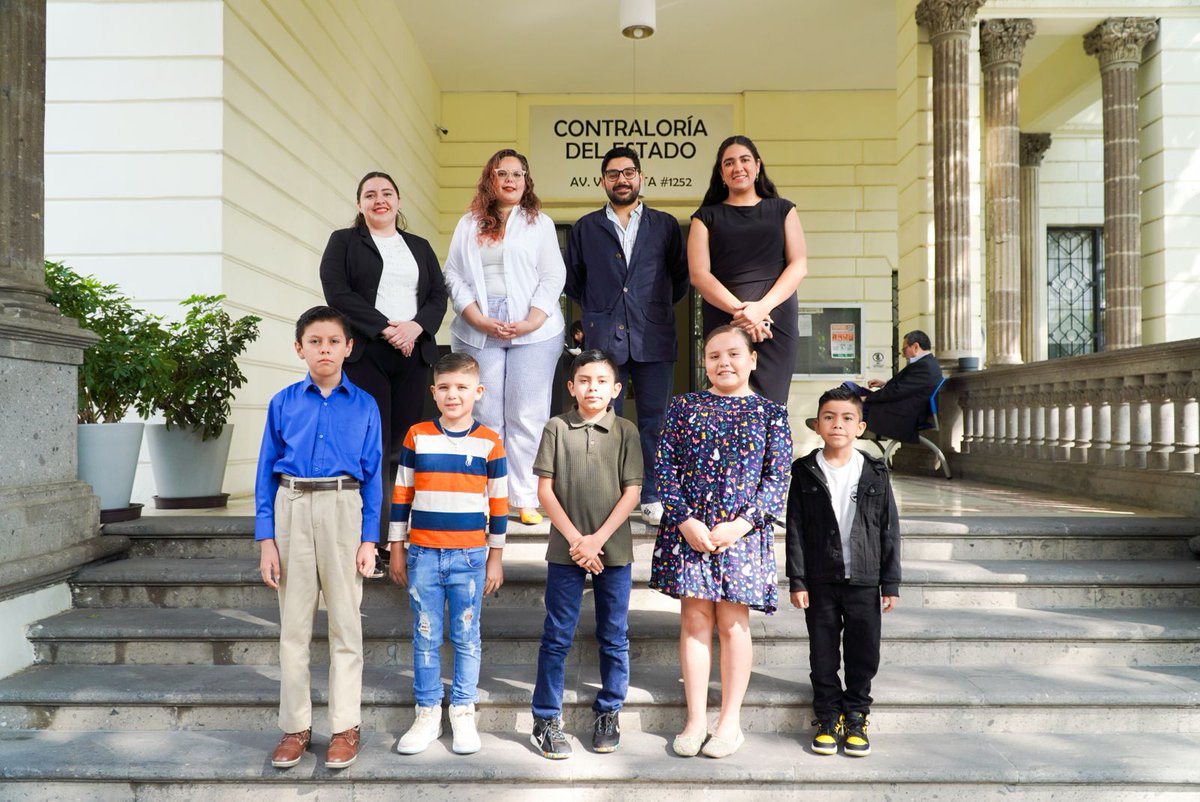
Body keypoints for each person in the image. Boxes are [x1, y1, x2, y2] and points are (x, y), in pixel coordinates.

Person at [649, 325, 793, 759]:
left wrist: (743, 524)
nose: (723, 362)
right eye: (713, 355)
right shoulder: (684, 407)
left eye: (733, 353)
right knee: (694, 620)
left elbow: (777, 478)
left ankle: (729, 722)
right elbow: (664, 468)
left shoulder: (771, 413)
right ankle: (695, 720)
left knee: (733, 623)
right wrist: (685, 521)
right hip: (690, 530)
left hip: (741, 534)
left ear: (752, 359)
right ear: (705, 362)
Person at [255, 305, 382, 770]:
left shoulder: (365, 405)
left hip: (344, 508)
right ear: (299, 348)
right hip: (292, 509)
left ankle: (345, 726)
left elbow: (373, 477)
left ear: (349, 348)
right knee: (294, 628)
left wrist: (370, 539)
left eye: (333, 341)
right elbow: (264, 472)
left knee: (347, 623)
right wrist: (267, 539)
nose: (324, 349)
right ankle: (295, 726)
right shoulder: (283, 403)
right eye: (315, 341)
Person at [320, 170, 448, 569]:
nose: (380, 200)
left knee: (404, 447)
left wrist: (414, 327)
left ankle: (401, 539)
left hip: (413, 353)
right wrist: (385, 327)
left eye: (387, 193)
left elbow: (436, 295)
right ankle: (368, 541)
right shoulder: (344, 242)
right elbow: (337, 292)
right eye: (370, 194)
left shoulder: (419, 246)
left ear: (398, 201)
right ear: (359, 204)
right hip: (368, 353)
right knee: (371, 448)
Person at [388, 352, 507, 757]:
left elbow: (500, 503)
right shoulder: (417, 435)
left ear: (478, 392)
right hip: (422, 554)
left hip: (470, 557)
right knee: (425, 635)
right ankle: (426, 712)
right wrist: (397, 549)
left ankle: (461, 709)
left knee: (466, 636)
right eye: (444, 387)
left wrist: (495, 556)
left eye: (461, 387)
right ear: (433, 391)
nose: (452, 395)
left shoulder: (489, 441)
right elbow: (402, 495)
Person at [529, 349, 644, 759]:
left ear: (616, 389)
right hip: (565, 549)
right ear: (571, 387)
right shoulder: (557, 427)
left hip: (613, 550)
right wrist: (579, 540)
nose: (592, 388)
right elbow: (545, 491)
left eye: (600, 381)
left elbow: (632, 492)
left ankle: (609, 711)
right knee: (557, 635)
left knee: (614, 636)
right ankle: (544, 718)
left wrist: (597, 541)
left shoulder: (626, 430)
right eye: (584, 380)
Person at [565, 146, 688, 527]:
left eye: (629, 172)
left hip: (653, 335)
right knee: (603, 417)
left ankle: (652, 494)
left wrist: (649, 308)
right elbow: (575, 282)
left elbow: (679, 279)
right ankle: (608, 494)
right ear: (603, 181)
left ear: (640, 178)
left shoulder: (665, 224)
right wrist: (601, 311)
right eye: (613, 173)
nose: (622, 179)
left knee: (655, 420)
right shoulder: (585, 227)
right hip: (604, 339)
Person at [444, 149, 566, 525]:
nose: (511, 180)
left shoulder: (539, 223)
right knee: (485, 412)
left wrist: (532, 320)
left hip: (535, 329)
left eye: (518, 174)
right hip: (480, 329)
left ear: (526, 181)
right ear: (490, 179)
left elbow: (552, 276)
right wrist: (477, 317)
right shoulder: (469, 224)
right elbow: (453, 274)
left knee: (527, 414)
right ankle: (486, 496)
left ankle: (524, 497)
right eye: (503, 173)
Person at [786, 385, 901, 758]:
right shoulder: (804, 472)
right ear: (817, 426)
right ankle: (827, 714)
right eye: (829, 418)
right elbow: (796, 528)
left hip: (865, 579)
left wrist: (890, 581)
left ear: (861, 427)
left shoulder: (875, 472)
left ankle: (856, 714)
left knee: (863, 651)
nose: (838, 424)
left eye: (847, 418)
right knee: (822, 653)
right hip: (820, 578)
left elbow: (889, 527)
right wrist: (798, 579)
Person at [689, 135, 808, 406]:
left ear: (757, 165)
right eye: (728, 163)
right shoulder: (705, 217)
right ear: (721, 173)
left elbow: (798, 265)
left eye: (744, 160)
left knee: (773, 402)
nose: (737, 167)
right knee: (728, 397)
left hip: (776, 319)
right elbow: (699, 275)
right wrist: (742, 314)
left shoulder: (783, 210)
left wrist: (760, 309)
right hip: (725, 317)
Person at [857, 330, 943, 443]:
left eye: (904, 349)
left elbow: (898, 391)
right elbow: (907, 386)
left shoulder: (925, 366)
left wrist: (866, 398)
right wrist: (884, 383)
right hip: (897, 408)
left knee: (847, 401)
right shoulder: (928, 364)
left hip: (900, 416)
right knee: (847, 390)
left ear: (915, 347)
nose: (903, 355)